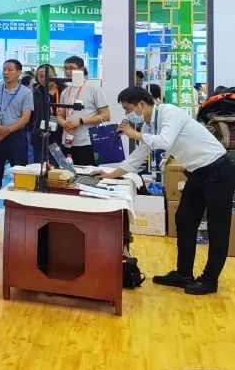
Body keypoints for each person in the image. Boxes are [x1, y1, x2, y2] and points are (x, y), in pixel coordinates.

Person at [98, 87, 235, 295]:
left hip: (218, 169)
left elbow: (164, 141)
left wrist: (135, 134)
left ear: (141, 105)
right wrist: (109, 175)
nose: (126, 114)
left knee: (218, 228)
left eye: (127, 108)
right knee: (184, 219)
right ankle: (183, 274)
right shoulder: (149, 125)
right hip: (197, 172)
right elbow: (136, 158)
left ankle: (209, 280)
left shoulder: (169, 112)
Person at [0, 60, 34, 220]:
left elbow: (25, 118)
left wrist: (5, 131)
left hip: (17, 137)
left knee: (19, 174)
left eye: (10, 70)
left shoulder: (26, 92)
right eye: (4, 69)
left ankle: (19, 210)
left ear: (19, 72)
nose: (6, 72)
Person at [56, 55, 110, 166]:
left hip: (87, 142)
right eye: (65, 68)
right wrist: (64, 123)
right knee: (66, 173)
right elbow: (59, 115)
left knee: (87, 174)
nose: (68, 71)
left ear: (81, 69)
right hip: (67, 142)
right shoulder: (65, 91)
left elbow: (106, 116)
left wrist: (80, 121)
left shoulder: (94, 89)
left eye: (71, 68)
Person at [30, 63, 61, 158]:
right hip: (40, 138)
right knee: (39, 165)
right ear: (37, 78)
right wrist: (34, 129)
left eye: (49, 75)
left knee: (59, 165)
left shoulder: (64, 91)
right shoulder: (34, 93)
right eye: (41, 76)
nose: (45, 78)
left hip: (60, 137)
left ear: (55, 75)